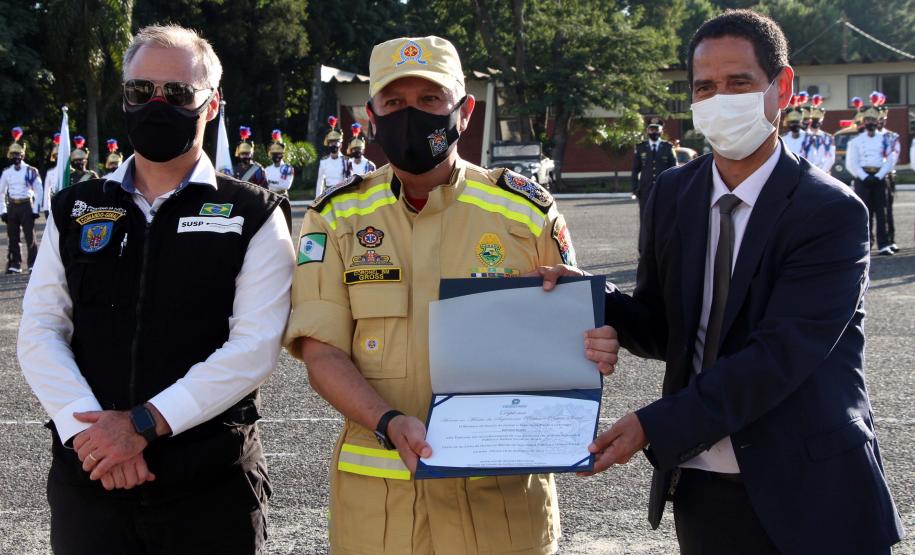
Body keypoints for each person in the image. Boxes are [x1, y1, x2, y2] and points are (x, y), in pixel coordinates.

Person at [540, 10, 904, 554]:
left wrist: (652, 425)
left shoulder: (829, 211)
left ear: (780, 87)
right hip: (703, 486)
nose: (720, 100)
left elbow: (780, 355)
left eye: (739, 83)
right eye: (705, 87)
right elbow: (667, 327)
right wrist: (591, 297)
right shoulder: (672, 194)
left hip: (812, 491)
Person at [282, 35, 616, 555]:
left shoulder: (527, 214)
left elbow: (571, 340)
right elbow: (322, 352)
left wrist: (593, 343)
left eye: (430, 101)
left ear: (464, 112)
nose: (411, 116)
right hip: (379, 519)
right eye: (395, 103)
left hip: (502, 517)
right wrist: (389, 423)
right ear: (371, 116)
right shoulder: (335, 218)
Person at [18, 24, 294, 554]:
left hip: (209, 487)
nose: (156, 104)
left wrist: (142, 425)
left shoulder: (253, 214)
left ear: (211, 106)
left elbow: (254, 348)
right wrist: (94, 438)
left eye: (178, 93)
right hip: (91, 478)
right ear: (124, 98)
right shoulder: (74, 207)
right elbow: (40, 331)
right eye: (141, 91)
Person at [847, 103, 895, 255]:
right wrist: (865, 176)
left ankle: (884, 244)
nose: (871, 123)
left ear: (878, 122)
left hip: (880, 178)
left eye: (874, 120)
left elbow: (891, 159)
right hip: (863, 179)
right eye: (868, 120)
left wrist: (879, 176)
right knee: (864, 212)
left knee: (883, 212)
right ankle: (865, 243)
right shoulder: (854, 142)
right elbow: (851, 163)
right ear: (863, 122)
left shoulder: (886, 139)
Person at [1, 127, 43, 274]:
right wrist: (3, 210)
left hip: (26, 205)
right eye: (13, 154)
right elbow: (1, 192)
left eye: (18, 154)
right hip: (12, 205)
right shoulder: (6, 172)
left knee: (30, 237)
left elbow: (39, 190)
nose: (15, 157)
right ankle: (15, 264)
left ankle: (32, 265)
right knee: (13, 237)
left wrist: (36, 209)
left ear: (23, 155)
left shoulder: (31, 171)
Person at [631, 116, 677, 220]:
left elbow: (674, 170)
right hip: (645, 190)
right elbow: (635, 169)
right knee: (645, 218)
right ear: (647, 130)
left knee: (663, 218)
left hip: (664, 189)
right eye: (651, 129)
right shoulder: (640, 147)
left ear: (661, 131)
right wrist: (635, 188)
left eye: (656, 129)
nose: (654, 131)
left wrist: (674, 188)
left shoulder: (668, 147)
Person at [875, 95, 900, 252]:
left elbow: (895, 155)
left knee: (887, 211)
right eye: (878, 118)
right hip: (874, 176)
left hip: (887, 176)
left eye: (882, 118)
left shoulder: (891, 136)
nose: (880, 121)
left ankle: (890, 239)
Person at [800, 94, 835, 173]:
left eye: (817, 120)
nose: (815, 122)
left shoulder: (828, 137)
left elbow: (830, 159)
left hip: (822, 172)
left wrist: (821, 173)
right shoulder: (801, 136)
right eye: (813, 119)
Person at [315, 116, 347, 196]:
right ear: (328, 144)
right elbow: (320, 182)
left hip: (342, 193)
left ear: (340, 145)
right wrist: (317, 200)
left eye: (336, 142)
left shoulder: (346, 161)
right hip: (328, 195)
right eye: (331, 142)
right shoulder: (323, 162)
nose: (333, 144)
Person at [264, 129, 295, 196]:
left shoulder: (288, 169)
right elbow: (264, 185)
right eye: (274, 154)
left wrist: (271, 182)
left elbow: (286, 186)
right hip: (270, 197)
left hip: (282, 198)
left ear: (283, 154)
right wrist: (277, 183)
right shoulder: (267, 169)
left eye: (278, 153)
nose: (276, 156)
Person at [42, 133, 61, 217]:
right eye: (56, 156)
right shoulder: (50, 172)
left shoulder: (71, 172)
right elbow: (47, 192)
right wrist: (46, 208)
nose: (58, 157)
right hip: (55, 205)